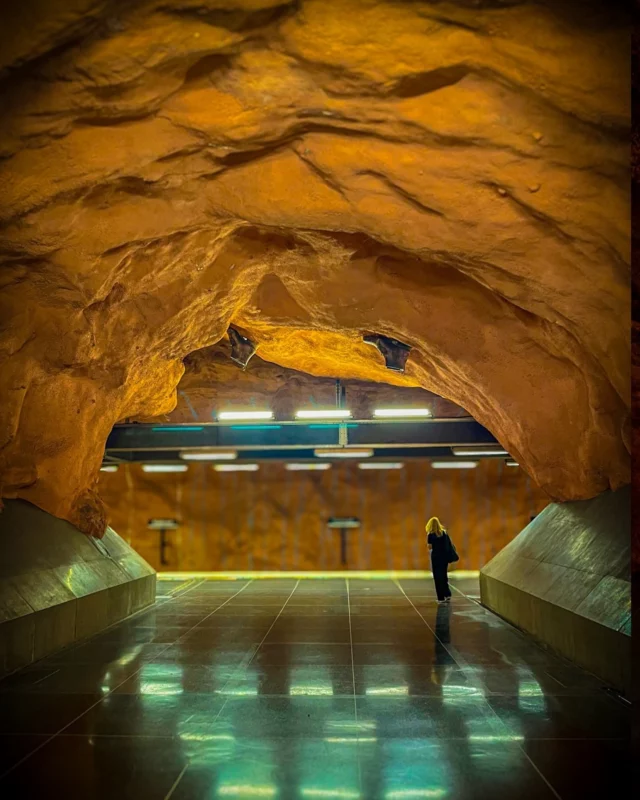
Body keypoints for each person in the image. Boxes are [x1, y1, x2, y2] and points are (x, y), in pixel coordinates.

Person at [426, 516, 452, 603]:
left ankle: (440, 597)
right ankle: (447, 594)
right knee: (444, 575)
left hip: (436, 557)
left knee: (437, 577)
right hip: (444, 558)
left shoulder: (430, 534)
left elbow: (430, 547)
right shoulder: (444, 533)